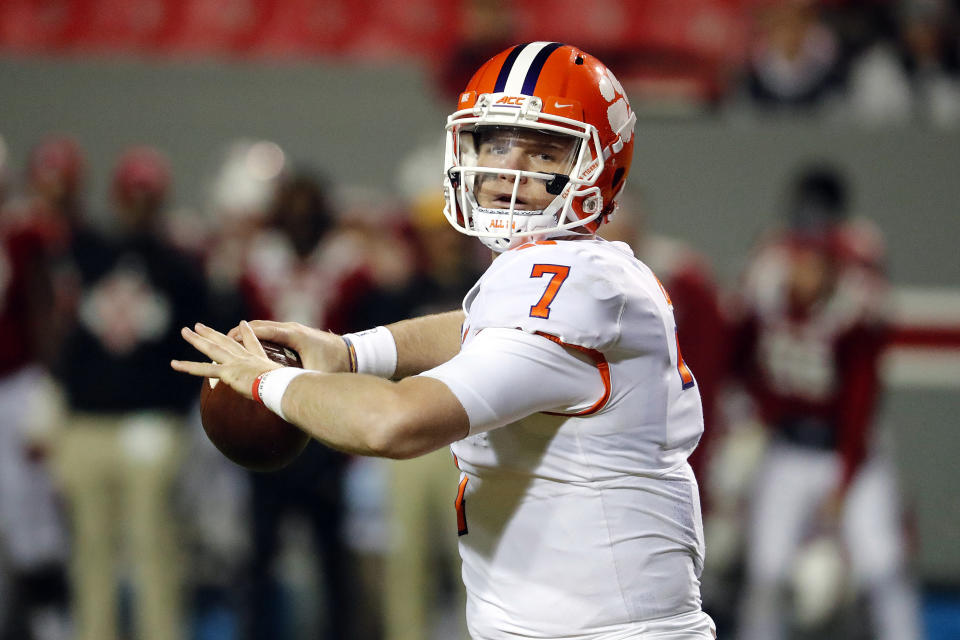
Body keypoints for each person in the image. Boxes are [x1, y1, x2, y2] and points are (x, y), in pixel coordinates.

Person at [172, 42, 716, 640]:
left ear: (599, 165)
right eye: (497, 144)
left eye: (544, 151)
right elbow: (474, 328)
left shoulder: (577, 288)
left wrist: (266, 381)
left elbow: (394, 424)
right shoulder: (564, 271)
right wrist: (353, 350)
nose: (511, 171)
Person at [730, 164, 922, 640]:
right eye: (798, 257)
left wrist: (846, 473)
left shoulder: (856, 295)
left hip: (848, 450)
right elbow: (740, 355)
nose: (803, 270)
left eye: (816, 261)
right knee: (766, 574)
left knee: (883, 569)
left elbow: (862, 392)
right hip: (786, 445)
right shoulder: (766, 277)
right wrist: (752, 418)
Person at [54, 146, 206, 640]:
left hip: (151, 422)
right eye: (132, 195)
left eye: (148, 196)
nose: (139, 205)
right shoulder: (85, 252)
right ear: (116, 198)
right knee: (90, 550)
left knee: (153, 548)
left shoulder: (179, 265)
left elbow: (200, 341)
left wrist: (178, 412)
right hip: (88, 422)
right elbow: (59, 329)